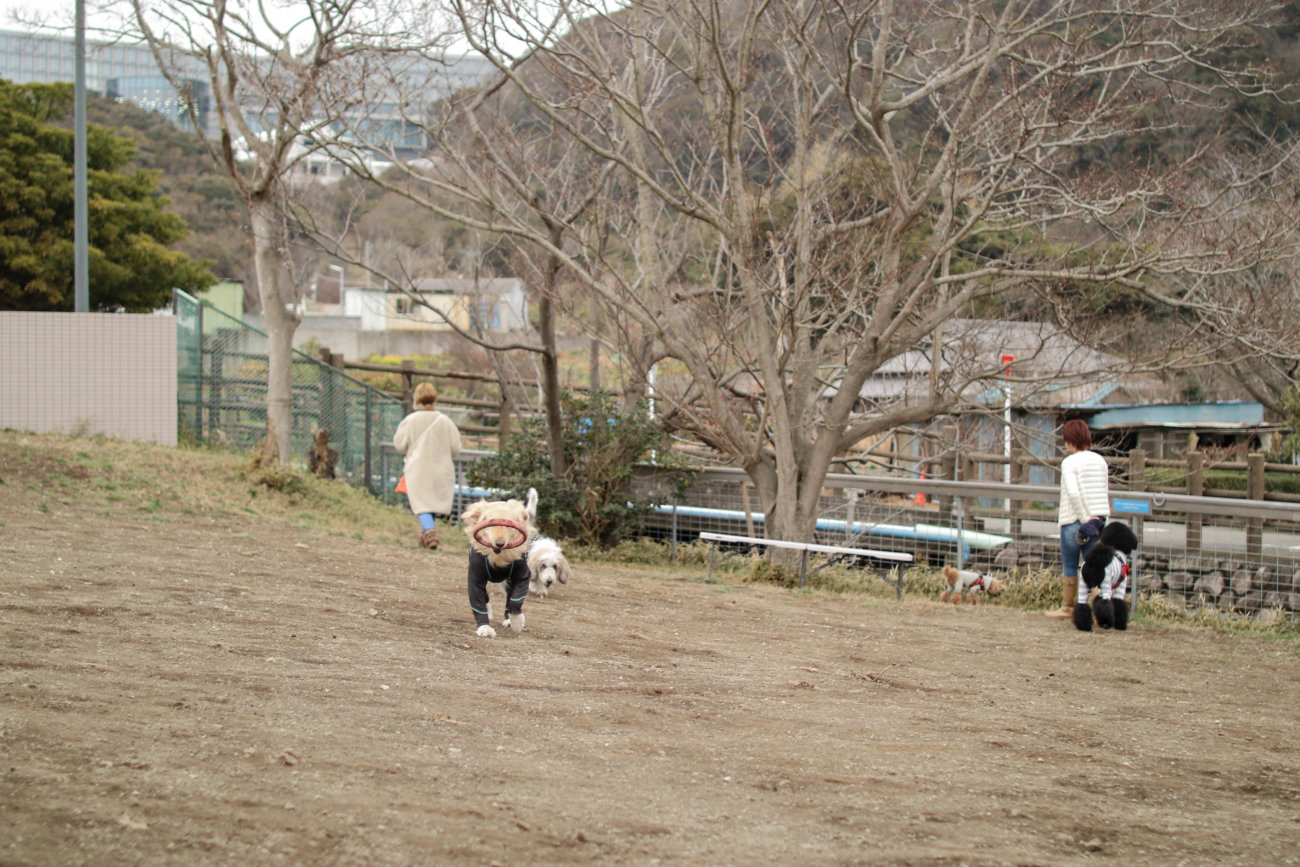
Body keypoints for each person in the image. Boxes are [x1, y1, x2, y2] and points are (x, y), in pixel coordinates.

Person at [1048, 418, 1110, 619]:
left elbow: (1073, 494)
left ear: (1069, 441)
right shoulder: (1100, 461)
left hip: (1073, 521)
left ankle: (1068, 607)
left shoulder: (1069, 462)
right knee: (1096, 565)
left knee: (1070, 564)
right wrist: (1098, 518)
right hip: (1098, 521)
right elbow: (1103, 491)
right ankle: (1098, 606)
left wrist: (1084, 518)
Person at [393, 382, 462, 550]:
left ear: (417, 399)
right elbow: (456, 449)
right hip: (442, 469)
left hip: (418, 469)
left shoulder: (410, 420)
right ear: (435, 398)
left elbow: (399, 445)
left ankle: (429, 532)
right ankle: (425, 537)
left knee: (421, 503)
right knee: (429, 503)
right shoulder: (445, 421)